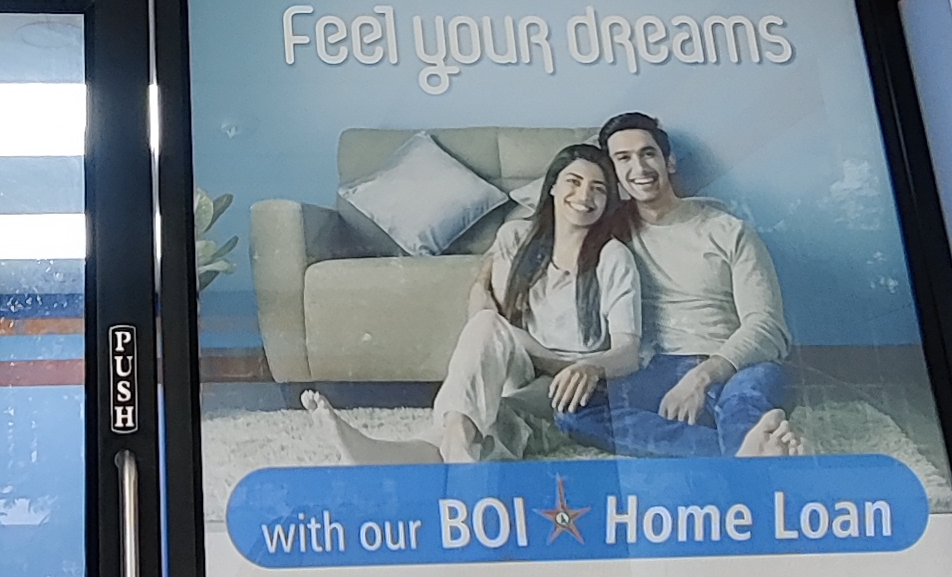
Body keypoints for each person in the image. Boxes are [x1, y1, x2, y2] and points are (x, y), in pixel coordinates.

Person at [302, 143, 641, 463]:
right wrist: (484, 284)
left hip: (566, 383)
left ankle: (387, 455)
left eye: (598, 189)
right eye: (574, 181)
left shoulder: (613, 257)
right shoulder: (516, 237)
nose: (584, 195)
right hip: (518, 363)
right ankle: (457, 442)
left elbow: (628, 352)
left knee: (494, 417)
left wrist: (589, 367)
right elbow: (489, 318)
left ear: (607, 201)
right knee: (485, 327)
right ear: (552, 187)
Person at [553, 109, 802, 460]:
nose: (639, 168)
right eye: (623, 159)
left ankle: (744, 450)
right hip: (657, 371)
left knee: (743, 404)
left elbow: (768, 326)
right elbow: (540, 230)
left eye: (648, 153)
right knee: (575, 412)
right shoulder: (608, 233)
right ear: (613, 174)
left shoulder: (728, 231)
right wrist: (483, 283)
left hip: (736, 365)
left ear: (668, 162)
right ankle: (739, 455)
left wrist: (702, 377)